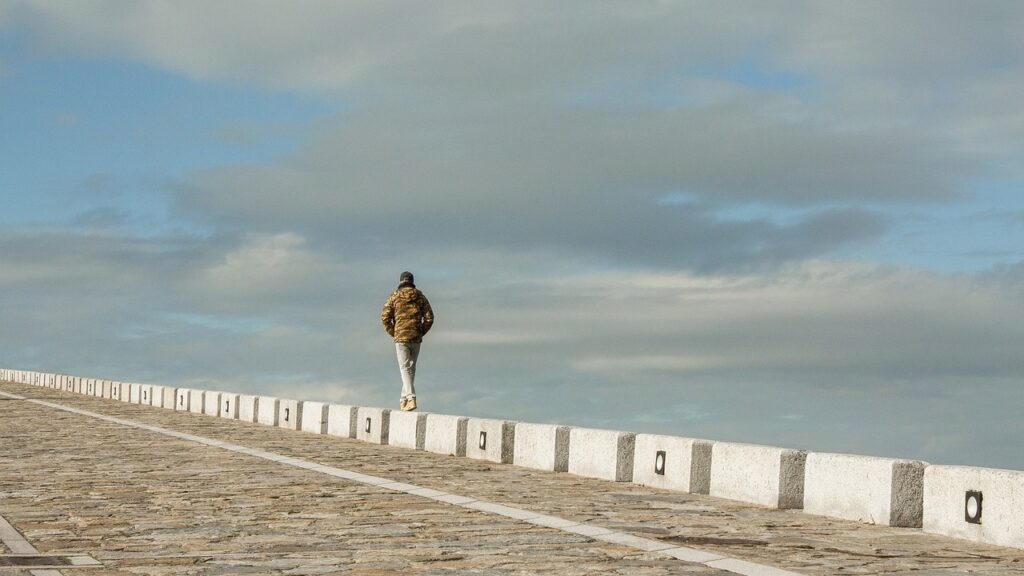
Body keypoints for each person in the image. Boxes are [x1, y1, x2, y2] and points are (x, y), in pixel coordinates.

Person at [380, 271, 434, 411]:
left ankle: (411, 397)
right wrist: (420, 331)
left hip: (401, 338)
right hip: (416, 337)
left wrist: (395, 332)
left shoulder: (394, 297)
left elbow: (384, 317)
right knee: (411, 369)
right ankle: (403, 399)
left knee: (405, 368)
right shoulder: (420, 297)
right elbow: (429, 317)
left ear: (400, 282)